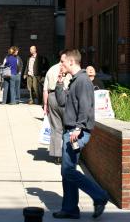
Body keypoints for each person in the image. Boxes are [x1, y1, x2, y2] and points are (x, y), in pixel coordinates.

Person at [53, 49, 109, 219]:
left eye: (62, 62)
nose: (61, 65)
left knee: (68, 171)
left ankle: (100, 196)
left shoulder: (83, 81)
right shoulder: (74, 80)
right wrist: (60, 81)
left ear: (71, 62)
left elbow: (85, 107)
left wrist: (78, 128)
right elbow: (62, 102)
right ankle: (70, 209)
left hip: (77, 131)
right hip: (70, 130)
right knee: (67, 172)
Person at [43, 57, 71, 164]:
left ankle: (56, 156)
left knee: (55, 127)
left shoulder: (51, 69)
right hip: (64, 96)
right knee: (68, 127)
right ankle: (68, 153)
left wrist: (45, 105)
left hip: (51, 97)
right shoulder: (68, 69)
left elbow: (45, 89)